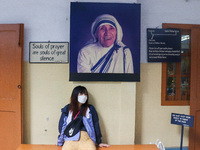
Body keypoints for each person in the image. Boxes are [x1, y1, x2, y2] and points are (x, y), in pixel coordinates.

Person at [57, 86, 110, 150]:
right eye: (81, 93)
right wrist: (61, 140)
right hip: (71, 138)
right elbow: (62, 125)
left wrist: (99, 142)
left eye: (85, 94)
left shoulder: (90, 109)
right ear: (75, 95)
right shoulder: (68, 108)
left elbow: (96, 124)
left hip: (86, 138)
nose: (84, 96)